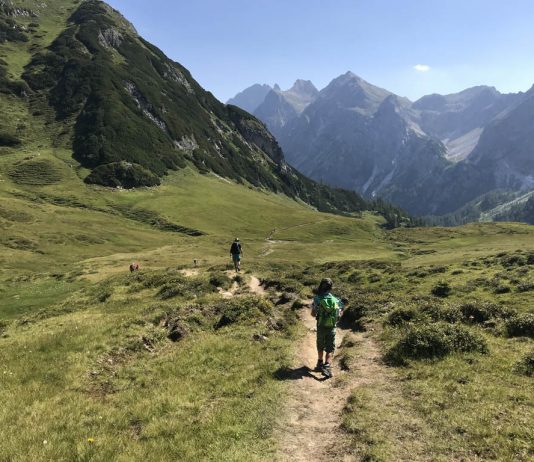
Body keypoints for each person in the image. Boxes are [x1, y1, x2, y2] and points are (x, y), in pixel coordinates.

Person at [311, 278, 343, 378]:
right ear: (331, 287)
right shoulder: (336, 300)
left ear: (320, 286)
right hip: (332, 327)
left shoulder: (317, 299)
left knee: (320, 344)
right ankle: (327, 366)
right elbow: (339, 315)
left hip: (321, 326)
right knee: (330, 347)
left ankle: (319, 363)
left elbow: (313, 314)